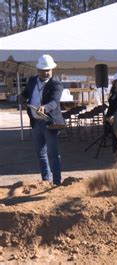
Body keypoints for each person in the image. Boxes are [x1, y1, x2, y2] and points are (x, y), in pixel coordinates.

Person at [20, 54, 65, 186]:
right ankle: (46, 180)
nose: (46, 73)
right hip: (35, 122)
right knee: (40, 153)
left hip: (49, 123)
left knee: (52, 153)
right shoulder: (32, 81)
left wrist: (45, 108)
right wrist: (21, 97)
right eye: (44, 70)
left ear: (52, 70)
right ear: (38, 70)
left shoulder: (56, 84)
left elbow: (54, 102)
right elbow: (25, 93)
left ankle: (57, 182)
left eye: (48, 70)